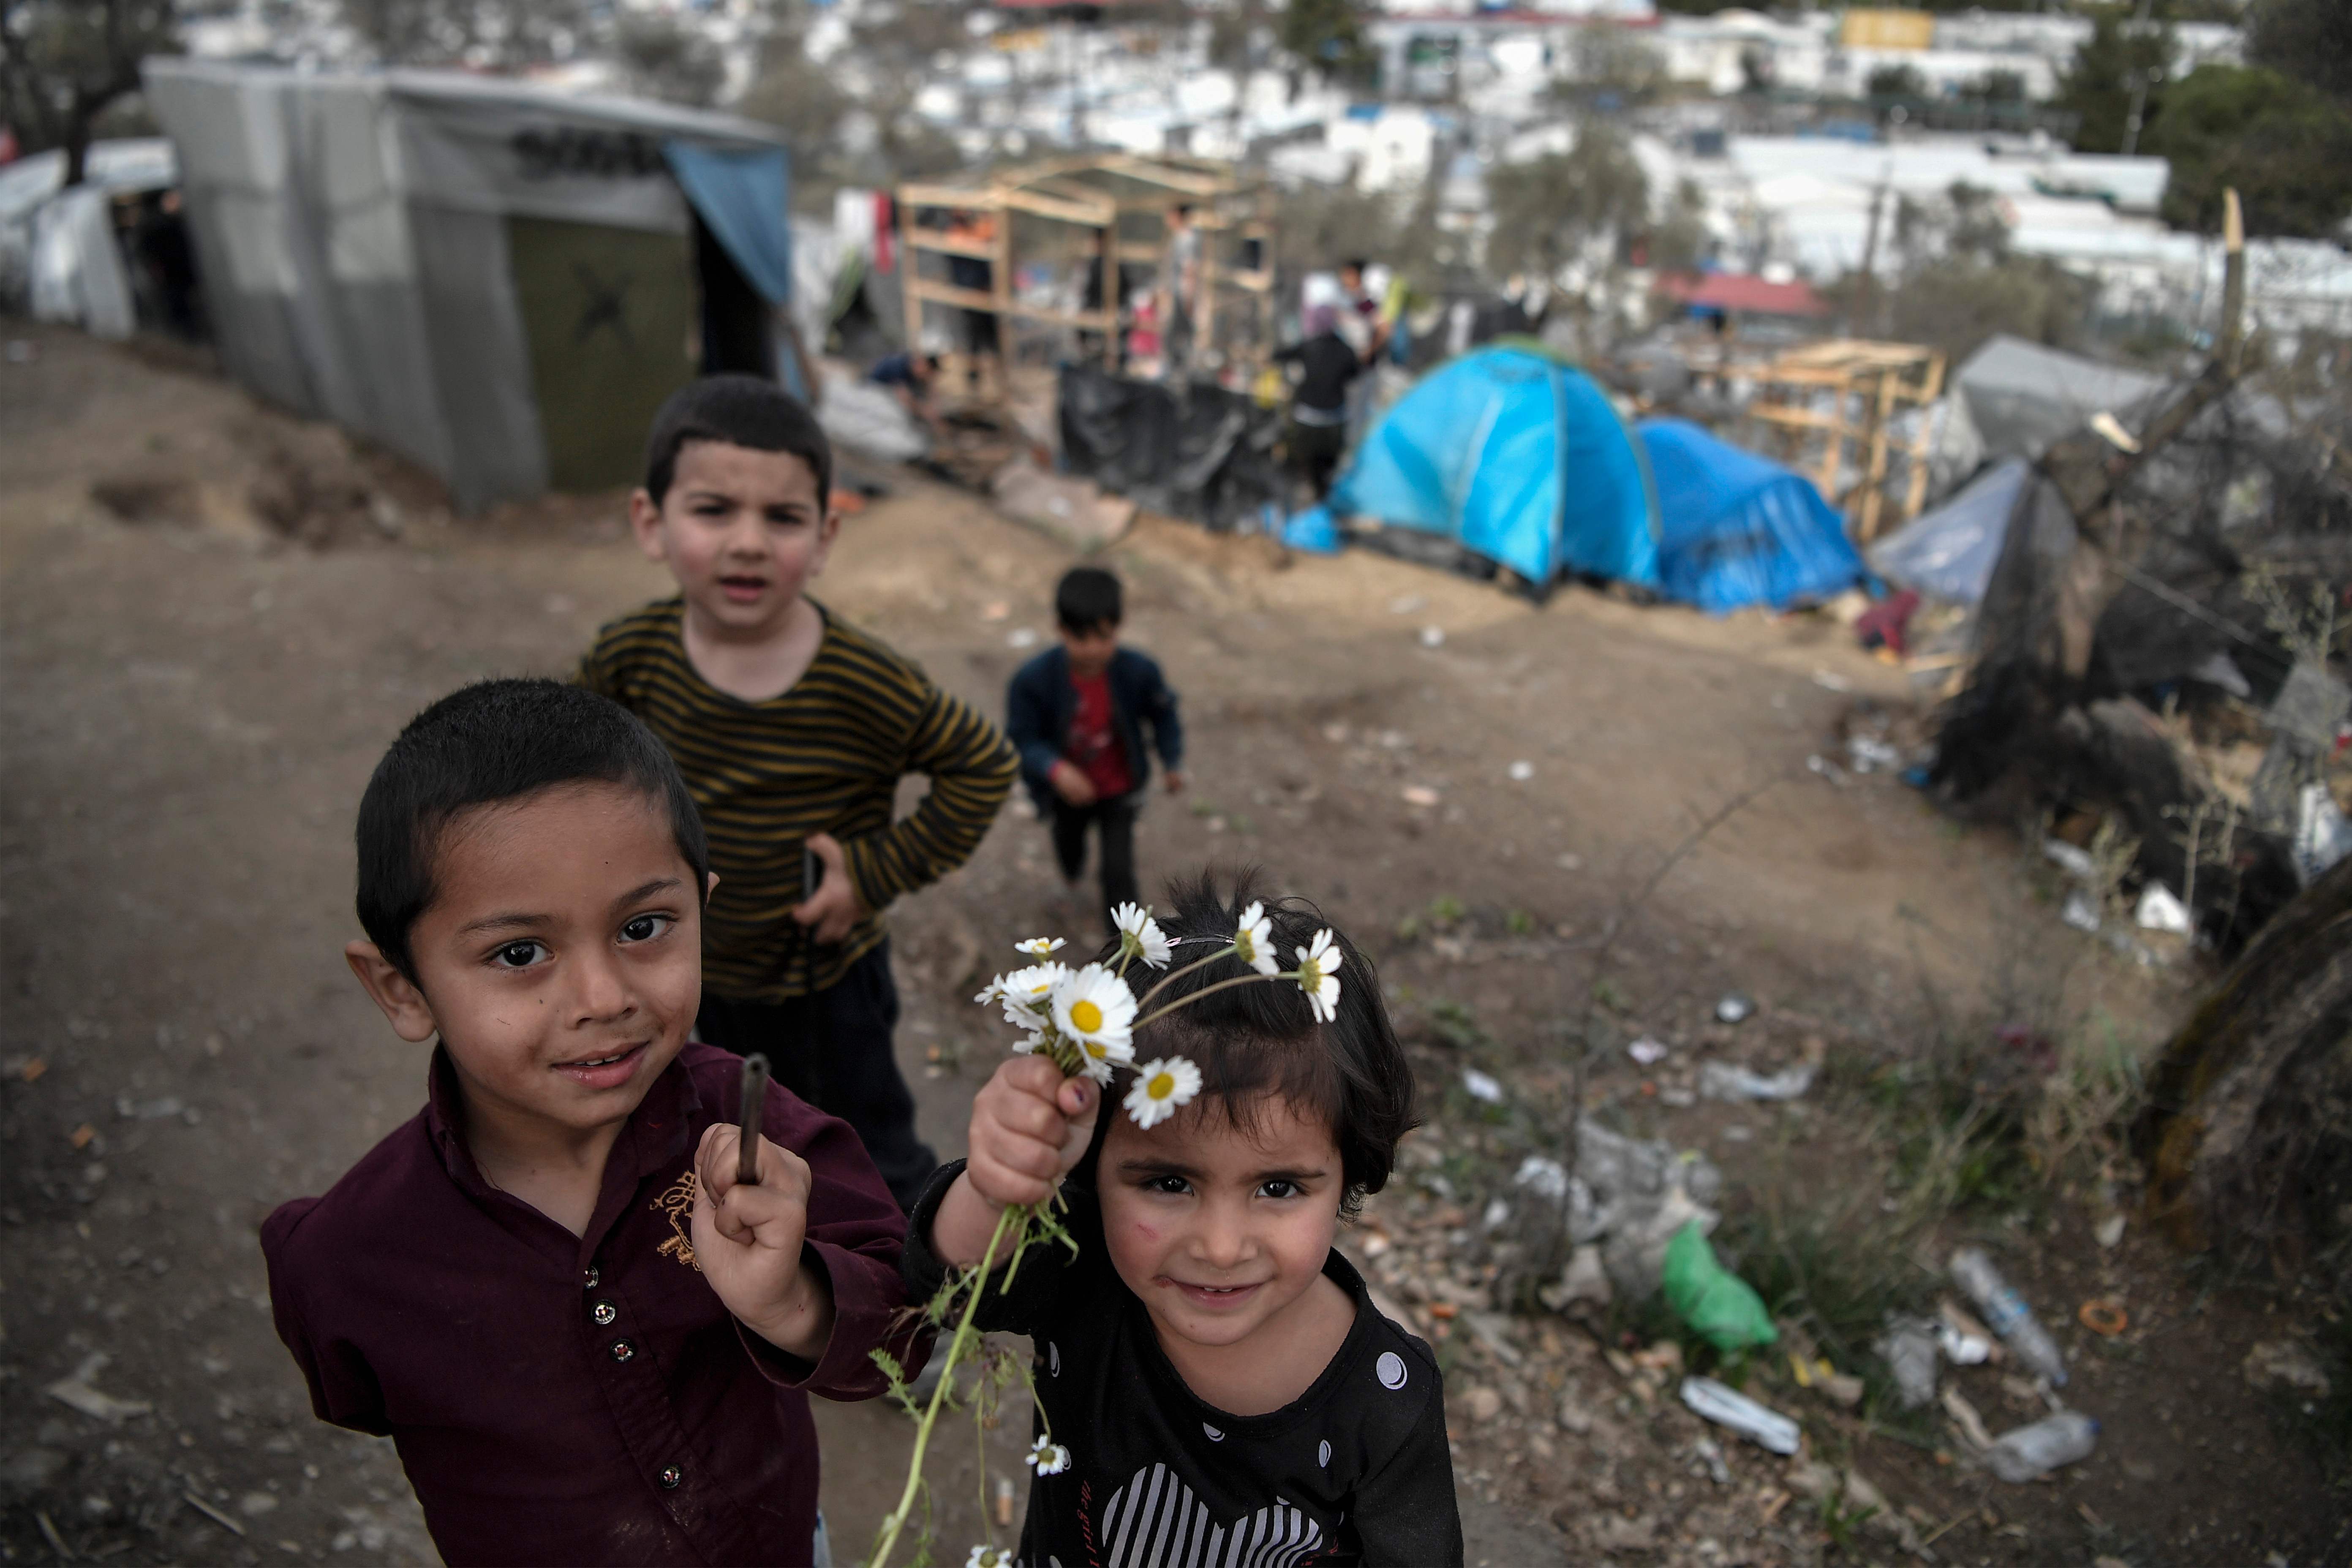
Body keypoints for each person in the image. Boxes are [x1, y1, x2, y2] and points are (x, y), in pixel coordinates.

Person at [261, 678, 921, 1566]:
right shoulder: (348, 1258)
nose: (604, 998)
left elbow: (908, 1342)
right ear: (402, 987)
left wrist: (792, 1297)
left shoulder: (760, 1143)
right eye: (520, 953)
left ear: (704, 910)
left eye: (645, 926)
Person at [903, 874, 1463, 1567]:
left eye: (1278, 1186)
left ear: (1351, 1169)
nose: (1222, 1247)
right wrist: (999, 1185)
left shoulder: (1385, 1401)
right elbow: (950, 1284)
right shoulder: (1087, 1279)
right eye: (1169, 1182)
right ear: (1089, 1163)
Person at [579, 376, 1018, 1210]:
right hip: (696, 972)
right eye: (713, 510)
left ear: (824, 536)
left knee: (864, 1145)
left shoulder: (866, 679)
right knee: (738, 1128)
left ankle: (908, 1286)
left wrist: (873, 873)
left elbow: (982, 764)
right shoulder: (630, 657)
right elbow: (574, 770)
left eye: (782, 518)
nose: (748, 542)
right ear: (651, 522)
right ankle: (784, 1279)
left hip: (830, 981)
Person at [1005, 566, 1184, 927]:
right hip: (1066, 794)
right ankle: (1071, 878)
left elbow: (1164, 715)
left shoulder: (1139, 673)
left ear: (1119, 626)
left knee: (1119, 873)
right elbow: (1022, 739)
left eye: (1103, 637)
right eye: (1081, 638)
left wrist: (1172, 761)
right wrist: (1054, 769)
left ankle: (1125, 951)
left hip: (1119, 790)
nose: (1093, 650)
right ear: (1060, 630)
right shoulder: (1033, 681)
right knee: (1069, 845)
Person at [1274, 305, 1366, 502]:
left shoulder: (1309, 346)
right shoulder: (1346, 351)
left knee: (1305, 470)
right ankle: (1322, 504)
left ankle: (1307, 504)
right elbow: (1356, 373)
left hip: (1306, 422)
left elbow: (1280, 356)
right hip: (1334, 423)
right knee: (1327, 475)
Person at [1159, 202, 1203, 379]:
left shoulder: (1188, 238)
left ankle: (1182, 372)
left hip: (1182, 294)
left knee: (1180, 334)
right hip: (1177, 293)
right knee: (1175, 334)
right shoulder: (1179, 237)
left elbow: (1190, 268)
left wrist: (1188, 296)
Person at [867, 349, 943, 433]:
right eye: (926, 373)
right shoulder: (898, 365)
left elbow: (928, 389)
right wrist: (925, 412)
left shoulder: (911, 369)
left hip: (884, 396)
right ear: (923, 364)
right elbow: (904, 397)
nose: (924, 378)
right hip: (872, 396)